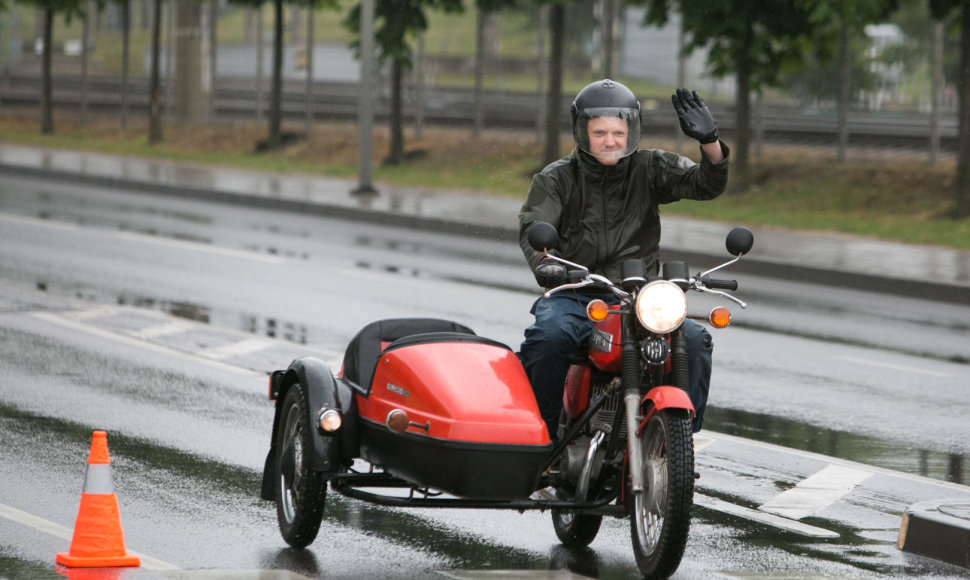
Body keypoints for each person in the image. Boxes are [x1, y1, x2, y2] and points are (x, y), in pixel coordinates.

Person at [517, 79, 729, 437]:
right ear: (582, 132)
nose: (610, 140)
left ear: (631, 131)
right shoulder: (555, 179)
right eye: (599, 132)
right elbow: (534, 227)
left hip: (636, 298)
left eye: (618, 131)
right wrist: (547, 264)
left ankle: (679, 444)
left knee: (693, 340)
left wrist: (709, 142)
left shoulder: (650, 167)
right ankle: (540, 439)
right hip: (575, 294)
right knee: (549, 337)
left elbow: (705, 184)